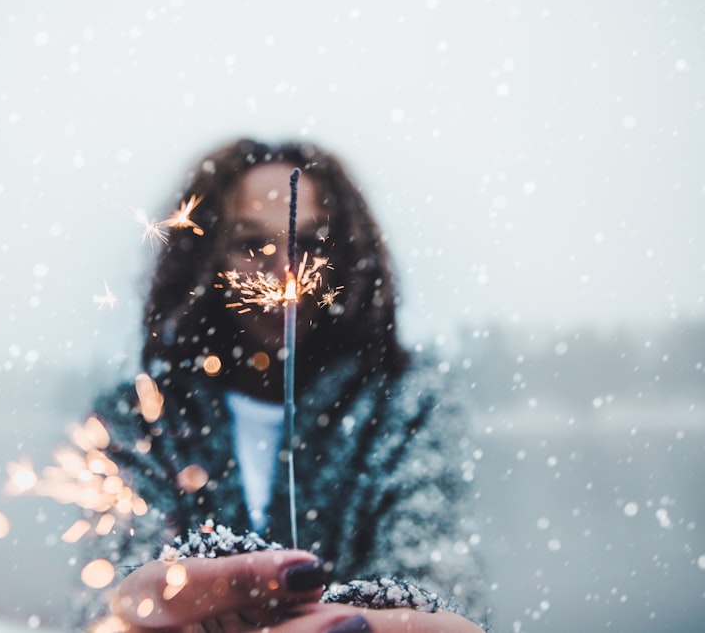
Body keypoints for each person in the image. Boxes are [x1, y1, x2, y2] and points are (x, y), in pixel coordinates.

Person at [79, 138, 488, 632]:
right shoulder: (138, 420)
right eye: (252, 244)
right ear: (204, 256)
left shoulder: (407, 407)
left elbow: (439, 581)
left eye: (311, 244)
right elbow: (107, 596)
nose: (285, 273)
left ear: (346, 254)